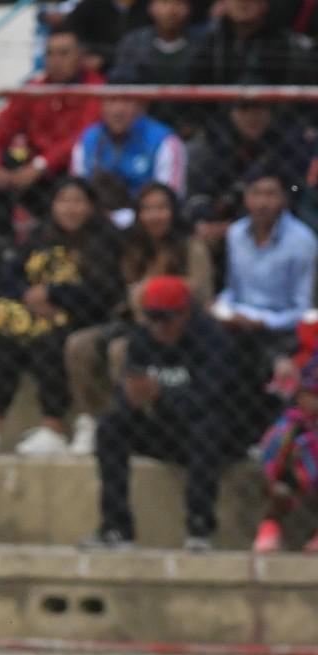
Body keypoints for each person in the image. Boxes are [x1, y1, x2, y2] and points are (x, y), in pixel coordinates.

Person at [0, 178, 125, 456]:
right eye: (63, 201)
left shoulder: (106, 240)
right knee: (6, 346)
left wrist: (55, 295)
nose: (70, 209)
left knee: (50, 344)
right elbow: (11, 275)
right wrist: (30, 296)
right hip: (35, 314)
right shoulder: (40, 235)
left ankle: (54, 428)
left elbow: (104, 292)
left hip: (83, 318)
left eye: (78, 201)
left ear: (91, 206)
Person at [84, 276, 242, 551]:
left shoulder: (214, 340)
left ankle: (200, 527)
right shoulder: (142, 339)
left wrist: (160, 396)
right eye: (152, 318)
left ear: (185, 314)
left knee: (208, 426)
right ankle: (116, 529)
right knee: (110, 425)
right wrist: (130, 398)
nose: (159, 327)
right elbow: (130, 391)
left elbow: (210, 400)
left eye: (166, 319)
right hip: (163, 429)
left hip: (210, 436)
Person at [64, 182, 212, 453]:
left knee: (121, 352)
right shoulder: (132, 246)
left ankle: (137, 423)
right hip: (132, 321)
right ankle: (92, 421)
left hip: (177, 324)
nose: (154, 215)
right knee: (79, 345)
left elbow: (201, 290)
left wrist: (156, 289)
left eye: (161, 208)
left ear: (173, 211)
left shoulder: (191, 246)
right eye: (147, 209)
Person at [213, 166, 318, 434]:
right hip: (238, 323)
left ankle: (263, 432)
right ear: (246, 199)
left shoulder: (303, 241)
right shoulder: (235, 234)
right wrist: (224, 310)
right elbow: (231, 288)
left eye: (271, 194)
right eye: (256, 194)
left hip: (282, 329)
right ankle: (225, 433)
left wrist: (263, 321)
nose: (263, 202)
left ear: (283, 199)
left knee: (264, 357)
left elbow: (304, 307)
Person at [0, 27, 105, 243]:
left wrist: (40, 165)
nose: (55, 60)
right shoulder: (35, 89)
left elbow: (82, 136)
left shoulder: (96, 88)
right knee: (4, 170)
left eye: (64, 53)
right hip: (35, 173)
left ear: (81, 57)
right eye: (50, 54)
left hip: (72, 171)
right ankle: (2, 247)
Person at [253, 356, 318, 552]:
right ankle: (269, 529)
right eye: (308, 394)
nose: (312, 400)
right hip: (296, 477)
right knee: (280, 490)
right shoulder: (291, 423)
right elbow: (271, 454)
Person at [70, 93, 187, 200]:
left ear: (141, 105)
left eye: (126, 101)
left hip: (144, 216)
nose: (118, 110)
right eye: (111, 100)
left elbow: (169, 199)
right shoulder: (87, 139)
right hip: (98, 216)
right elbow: (78, 193)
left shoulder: (165, 141)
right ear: (101, 105)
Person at [109, 0, 203, 96]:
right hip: (141, 107)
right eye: (164, 3)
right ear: (151, 8)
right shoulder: (133, 42)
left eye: (179, 3)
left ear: (189, 8)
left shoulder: (203, 45)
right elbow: (120, 82)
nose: (171, 10)